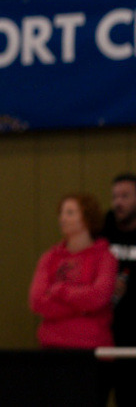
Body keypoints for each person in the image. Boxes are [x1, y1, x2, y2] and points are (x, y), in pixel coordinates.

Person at [29, 193, 116, 350]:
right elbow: (37, 301)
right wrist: (83, 308)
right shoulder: (50, 257)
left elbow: (98, 296)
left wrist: (60, 291)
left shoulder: (105, 257)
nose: (62, 219)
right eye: (61, 213)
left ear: (87, 218)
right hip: (52, 343)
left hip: (91, 344)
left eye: (70, 213)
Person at [104, 173, 136, 407]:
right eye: (115, 197)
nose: (118, 202)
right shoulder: (104, 230)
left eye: (125, 196)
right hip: (105, 331)